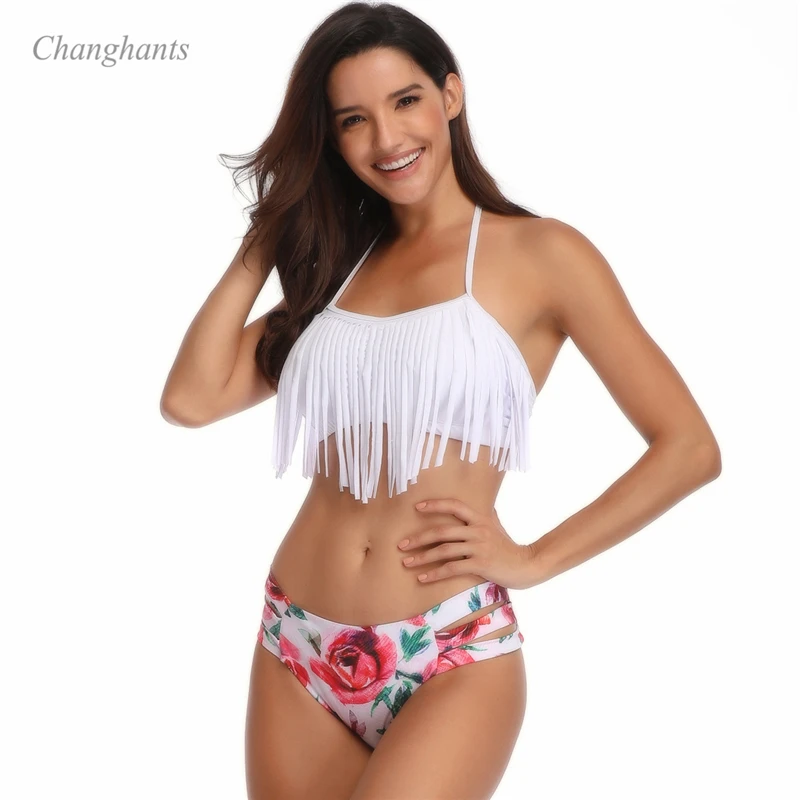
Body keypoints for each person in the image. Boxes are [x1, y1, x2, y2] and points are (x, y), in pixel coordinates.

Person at [160, 3, 722, 798]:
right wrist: (270, 234)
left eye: (406, 101)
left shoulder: (543, 255)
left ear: (450, 95)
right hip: (297, 638)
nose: (386, 139)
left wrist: (534, 559)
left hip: (449, 648)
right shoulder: (339, 270)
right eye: (353, 120)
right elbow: (191, 399)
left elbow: (689, 447)